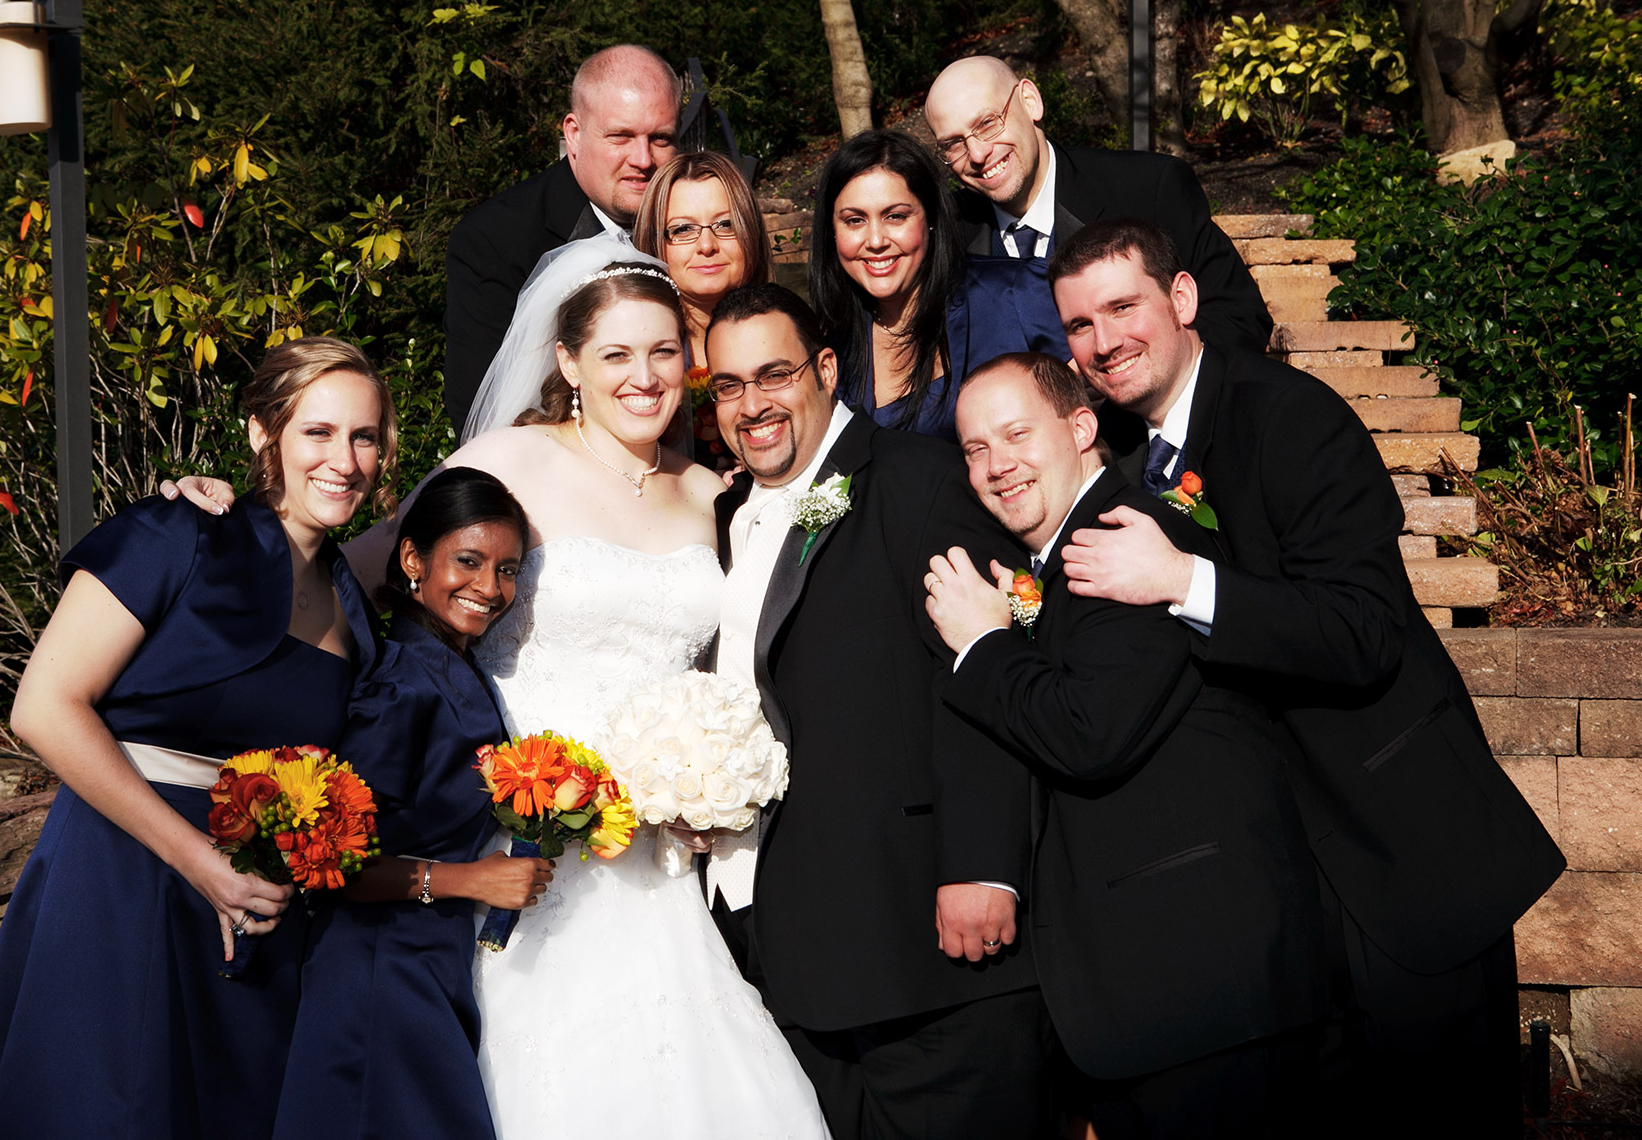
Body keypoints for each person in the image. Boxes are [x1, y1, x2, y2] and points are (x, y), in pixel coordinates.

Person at [1047, 219, 1565, 1136]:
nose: (1102, 340)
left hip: (1401, 858)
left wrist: (1183, 581)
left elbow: (1363, 631)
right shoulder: (1125, 464)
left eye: (1122, 307)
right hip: (1277, 899)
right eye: (1079, 324)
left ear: (1182, 300)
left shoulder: (1291, 415)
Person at [0, 338, 393, 1140]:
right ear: (264, 434)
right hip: (125, 873)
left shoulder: (350, 598)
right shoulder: (179, 533)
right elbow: (44, 708)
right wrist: (199, 862)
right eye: (317, 433)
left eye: (363, 436)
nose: (344, 459)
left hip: (251, 909)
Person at [444, 247, 831, 1138]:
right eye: (615, 355)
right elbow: (384, 568)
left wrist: (707, 778)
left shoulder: (710, 493)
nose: (644, 376)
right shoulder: (508, 462)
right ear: (569, 362)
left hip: (661, 859)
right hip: (531, 840)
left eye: (663, 352)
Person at [923, 352, 1328, 1136]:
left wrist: (982, 645)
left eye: (1014, 434)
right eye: (975, 448)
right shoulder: (1056, 562)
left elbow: (1089, 732)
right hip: (1143, 1002)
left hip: (1206, 991)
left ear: (1081, 428)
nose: (995, 465)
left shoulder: (1130, 537)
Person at [703, 283, 1045, 1138]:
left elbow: (983, 670)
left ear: (826, 370)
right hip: (785, 949)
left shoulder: (914, 480)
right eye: (729, 386)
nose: (752, 405)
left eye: (773, 375)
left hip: (926, 949)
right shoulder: (727, 516)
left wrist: (984, 863)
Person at [272, 468, 553, 1140]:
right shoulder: (402, 682)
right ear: (410, 560)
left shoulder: (454, 668)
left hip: (427, 958)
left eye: (507, 568)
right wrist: (468, 879)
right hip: (377, 969)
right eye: (468, 561)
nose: (490, 587)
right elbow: (329, 863)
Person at [923, 55, 1271, 357]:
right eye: (953, 144)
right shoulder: (945, 231)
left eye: (987, 123)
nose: (979, 154)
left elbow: (1238, 318)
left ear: (1030, 101)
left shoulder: (1148, 189)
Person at [444, 44, 681, 425]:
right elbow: (477, 413)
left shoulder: (693, 224)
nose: (643, 159)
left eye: (661, 139)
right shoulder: (496, 239)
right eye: (621, 136)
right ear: (573, 133)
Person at [808, 129, 1031, 441]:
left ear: (929, 219)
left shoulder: (1015, 293)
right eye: (855, 220)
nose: (875, 241)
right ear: (832, 232)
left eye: (895, 216)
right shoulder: (831, 350)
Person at [632, 148, 774, 368]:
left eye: (726, 225)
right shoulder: (630, 348)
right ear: (653, 241)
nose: (707, 246)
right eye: (683, 229)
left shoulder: (790, 335)